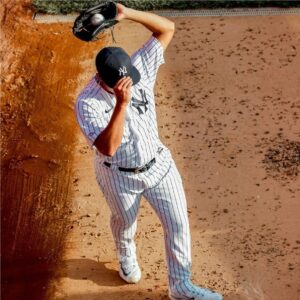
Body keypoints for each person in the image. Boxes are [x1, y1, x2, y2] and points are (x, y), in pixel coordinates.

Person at [74, 3, 223, 300]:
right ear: (102, 79)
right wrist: (121, 103)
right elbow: (108, 147)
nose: (130, 82)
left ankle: (181, 287)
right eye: (121, 81)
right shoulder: (87, 103)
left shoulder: (138, 67)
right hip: (118, 175)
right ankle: (126, 251)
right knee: (125, 223)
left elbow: (167, 28)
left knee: (178, 224)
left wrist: (126, 13)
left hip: (159, 166)